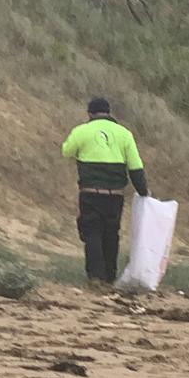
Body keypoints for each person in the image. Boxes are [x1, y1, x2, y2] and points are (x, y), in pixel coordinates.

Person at [61, 97, 149, 286]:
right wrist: (143, 192)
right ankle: (110, 276)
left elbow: (66, 151)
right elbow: (135, 167)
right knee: (111, 233)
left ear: (90, 113)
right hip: (114, 195)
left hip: (90, 192)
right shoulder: (124, 134)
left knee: (92, 232)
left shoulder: (81, 131)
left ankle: (95, 276)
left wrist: (82, 151)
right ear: (109, 112)